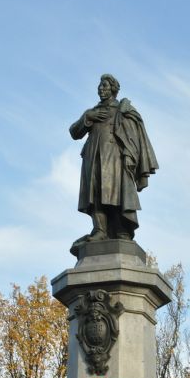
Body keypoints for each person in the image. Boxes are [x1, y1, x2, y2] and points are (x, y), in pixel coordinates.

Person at [69, 74, 158, 251]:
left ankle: (121, 230)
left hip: (115, 157)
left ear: (113, 89)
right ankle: (99, 229)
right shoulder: (92, 112)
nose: (101, 89)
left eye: (105, 86)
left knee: (116, 193)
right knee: (94, 194)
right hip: (93, 157)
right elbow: (74, 132)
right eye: (100, 86)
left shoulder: (123, 110)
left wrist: (130, 156)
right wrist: (88, 116)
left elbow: (134, 137)